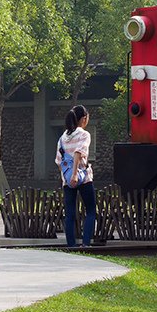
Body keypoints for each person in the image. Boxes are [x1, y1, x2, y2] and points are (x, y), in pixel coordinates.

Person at [55, 105, 96, 247]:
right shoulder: (84, 134)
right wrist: (75, 175)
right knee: (90, 210)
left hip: (67, 181)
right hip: (83, 177)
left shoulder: (62, 138)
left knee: (70, 214)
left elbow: (59, 161)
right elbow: (79, 152)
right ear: (84, 119)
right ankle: (85, 244)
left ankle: (71, 245)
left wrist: (66, 177)